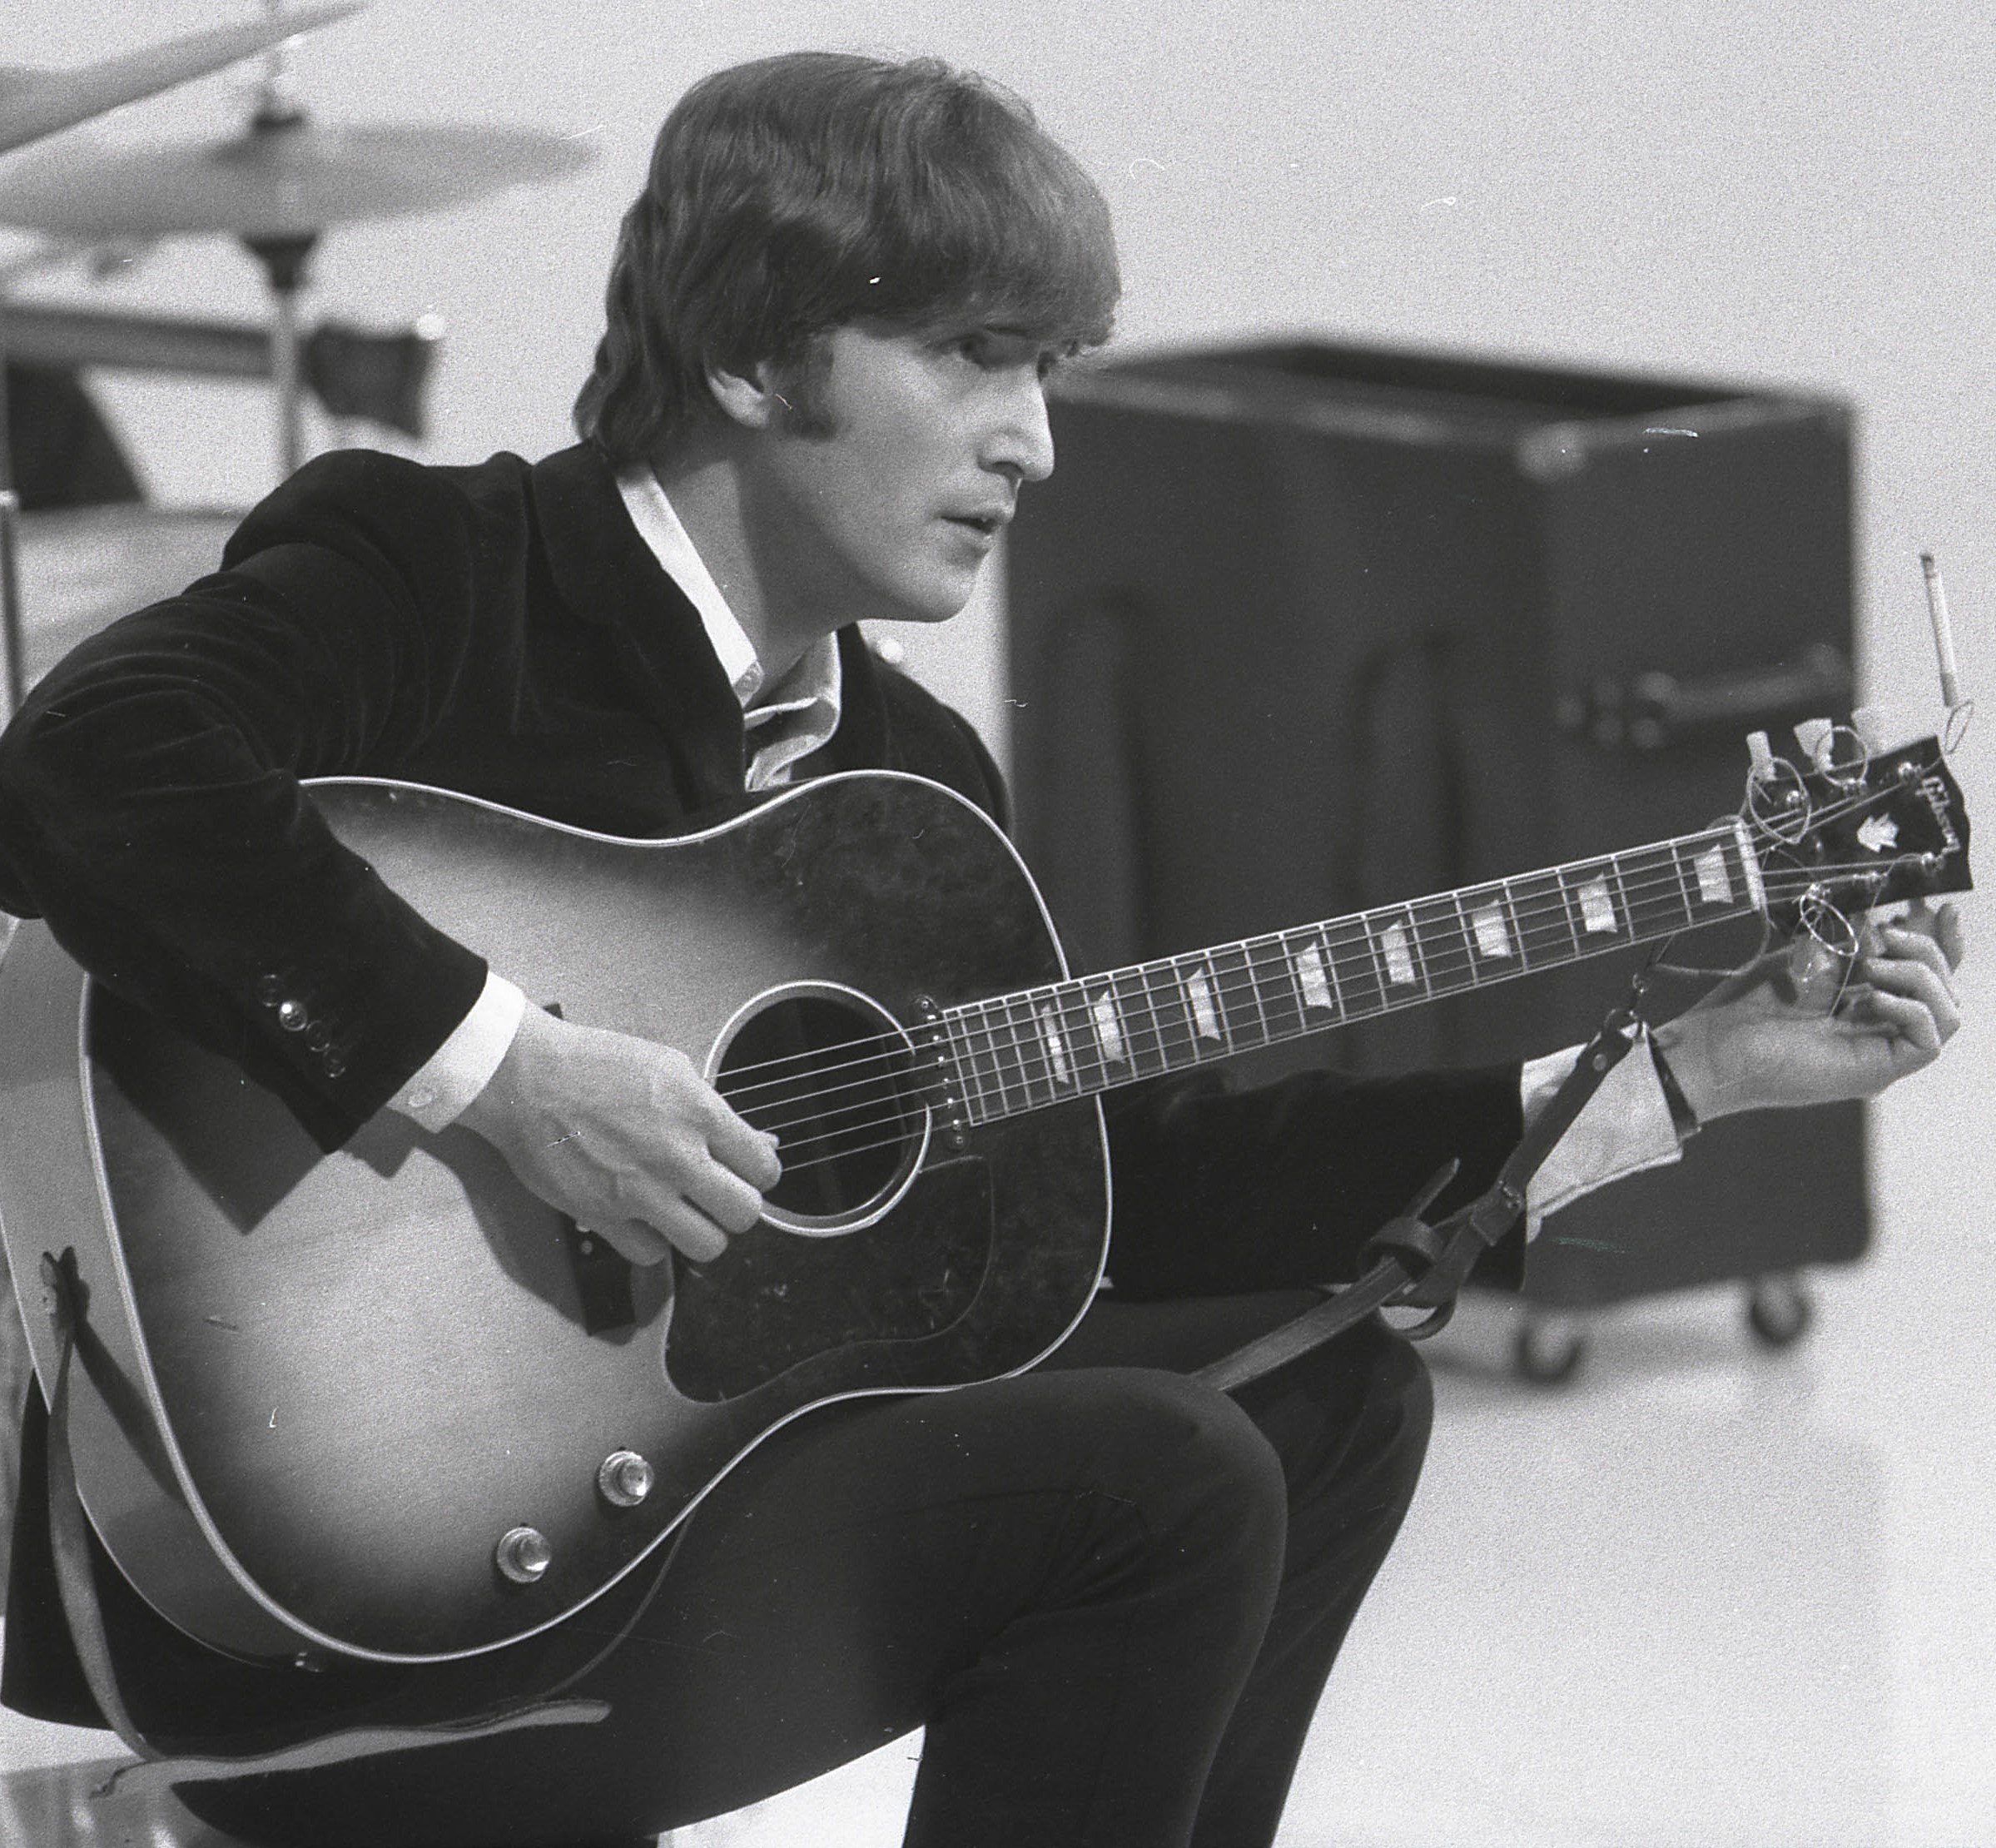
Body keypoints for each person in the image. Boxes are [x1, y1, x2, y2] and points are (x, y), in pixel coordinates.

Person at [0, 51, 1963, 1848]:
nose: (1035, 445)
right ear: (763, 357)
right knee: (1153, 1486)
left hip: (648, 1533)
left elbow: (1114, 1198)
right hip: (282, 1591)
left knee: (1327, 1397)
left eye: (1051, 371)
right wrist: (511, 1073)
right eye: (976, 357)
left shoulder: (906, 776)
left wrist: (1689, 1072)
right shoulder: (441, 576)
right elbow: (84, 769)